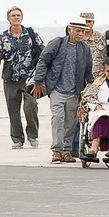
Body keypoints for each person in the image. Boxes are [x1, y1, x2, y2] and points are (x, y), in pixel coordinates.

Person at [32, 18, 94, 163]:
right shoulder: (57, 43)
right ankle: (56, 151)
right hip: (57, 90)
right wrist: (38, 81)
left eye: (83, 31)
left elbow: (88, 71)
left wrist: (91, 85)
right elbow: (43, 61)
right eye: (77, 30)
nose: (80, 34)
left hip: (74, 92)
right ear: (69, 29)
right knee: (57, 120)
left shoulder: (85, 49)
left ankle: (66, 152)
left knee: (70, 123)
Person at [0, 6, 44, 149]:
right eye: (13, 15)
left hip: (30, 78)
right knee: (13, 110)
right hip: (10, 79)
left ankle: (32, 136)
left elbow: (43, 53)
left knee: (31, 106)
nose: (16, 17)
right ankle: (17, 139)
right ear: (8, 19)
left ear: (22, 17)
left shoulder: (31, 34)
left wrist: (42, 75)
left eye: (18, 15)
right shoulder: (3, 37)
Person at [80, 12, 107, 79]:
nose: (86, 24)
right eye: (84, 21)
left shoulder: (100, 37)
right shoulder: (75, 38)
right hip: (79, 74)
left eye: (89, 21)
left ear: (93, 22)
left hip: (97, 75)